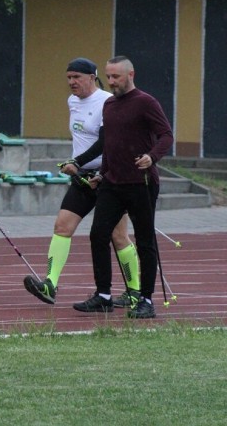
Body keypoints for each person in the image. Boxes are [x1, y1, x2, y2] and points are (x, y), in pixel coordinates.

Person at [23, 58, 138, 305]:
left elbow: (104, 142)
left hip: (108, 177)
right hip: (82, 177)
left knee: (119, 237)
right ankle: (50, 284)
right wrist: (77, 165)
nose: (72, 82)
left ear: (91, 77)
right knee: (62, 226)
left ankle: (134, 292)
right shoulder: (72, 101)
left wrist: (77, 160)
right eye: (68, 78)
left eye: (76, 77)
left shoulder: (107, 102)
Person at [73, 56, 174, 319]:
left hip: (141, 183)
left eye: (116, 76)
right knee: (98, 234)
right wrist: (101, 174)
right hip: (112, 183)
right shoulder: (109, 105)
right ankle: (103, 295)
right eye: (109, 76)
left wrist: (152, 156)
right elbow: (109, 145)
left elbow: (166, 135)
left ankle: (146, 300)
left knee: (144, 241)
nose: (111, 81)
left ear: (131, 75)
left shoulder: (146, 102)